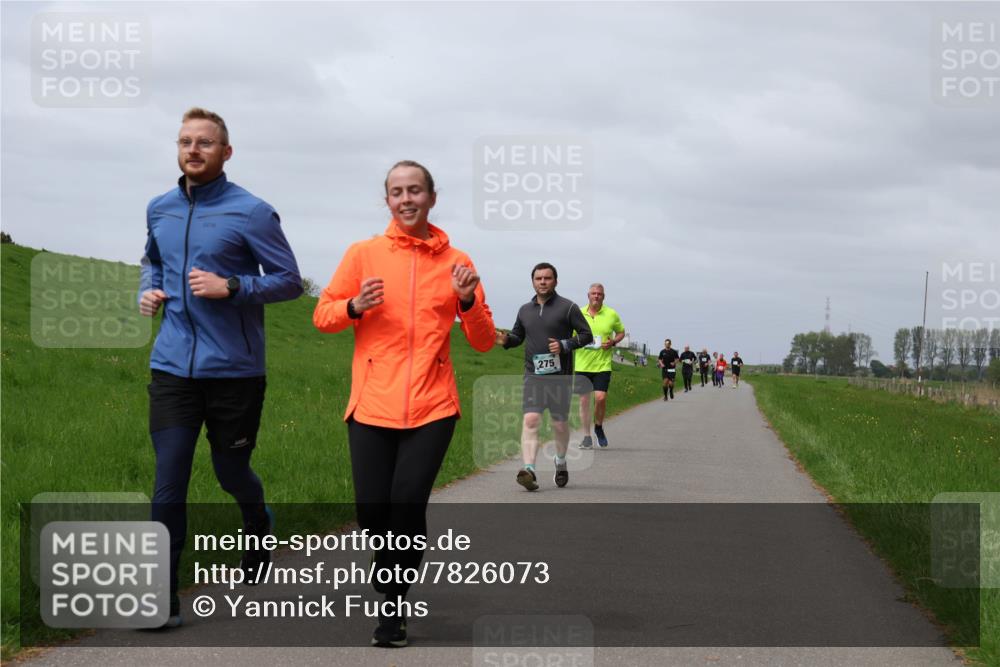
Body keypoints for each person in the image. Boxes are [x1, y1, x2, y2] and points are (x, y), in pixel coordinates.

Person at [313, 160, 495, 648]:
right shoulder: (363, 254)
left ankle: (391, 609)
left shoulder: (458, 262)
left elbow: (481, 341)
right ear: (388, 200)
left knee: (407, 507)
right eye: (397, 192)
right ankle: (388, 567)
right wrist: (354, 307)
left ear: (432, 198)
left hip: (433, 406)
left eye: (415, 190)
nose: (406, 199)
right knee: (375, 514)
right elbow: (322, 315)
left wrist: (467, 301)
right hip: (372, 403)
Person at [138, 107, 303, 628]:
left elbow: (289, 280)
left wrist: (232, 286)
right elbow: (151, 259)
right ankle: (161, 597)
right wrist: (149, 289)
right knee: (169, 482)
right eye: (185, 141)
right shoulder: (159, 208)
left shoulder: (252, 212)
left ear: (225, 152)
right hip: (171, 368)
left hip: (234, 371)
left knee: (230, 472)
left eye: (204, 142)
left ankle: (257, 519)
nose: (193, 149)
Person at [498, 263, 592, 490]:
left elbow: (586, 335)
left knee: (559, 425)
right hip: (533, 375)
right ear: (533, 281)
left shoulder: (568, 308)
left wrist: (565, 344)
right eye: (538, 278)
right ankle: (528, 469)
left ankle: (560, 462)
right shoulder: (524, 310)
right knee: (531, 420)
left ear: (555, 281)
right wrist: (506, 340)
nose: (542, 282)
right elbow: (518, 335)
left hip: (559, 377)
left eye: (547, 278)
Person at [573, 283, 625, 449]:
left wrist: (614, 342)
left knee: (601, 398)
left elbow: (621, 331)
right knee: (584, 401)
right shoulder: (578, 314)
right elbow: (569, 335)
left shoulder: (611, 314)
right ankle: (587, 437)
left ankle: (599, 427)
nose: (596, 296)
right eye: (593, 293)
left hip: (602, 365)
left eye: (599, 294)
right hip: (582, 364)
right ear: (588, 295)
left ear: (604, 296)